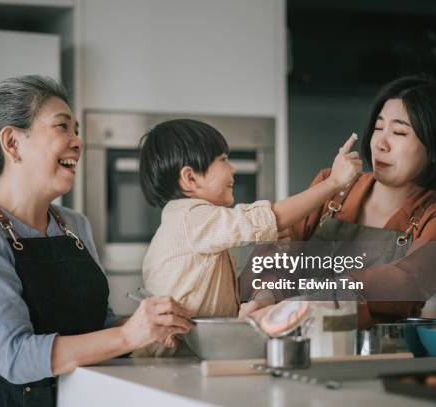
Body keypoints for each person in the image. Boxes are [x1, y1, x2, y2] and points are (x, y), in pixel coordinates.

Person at [0, 75, 192, 407]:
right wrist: (126, 335)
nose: (77, 141)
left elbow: (97, 326)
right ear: (13, 143)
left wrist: (150, 324)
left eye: (76, 130)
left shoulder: (74, 226)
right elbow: (14, 357)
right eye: (62, 127)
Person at [243, 76, 436, 329]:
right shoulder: (329, 184)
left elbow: (409, 282)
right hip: (297, 340)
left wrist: (309, 303)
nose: (380, 144)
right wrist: (266, 297)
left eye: (399, 132)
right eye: (378, 127)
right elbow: (277, 259)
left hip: (375, 355)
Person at [133, 118, 362, 356]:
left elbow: (220, 292)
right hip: (165, 363)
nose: (232, 169)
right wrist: (334, 182)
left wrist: (261, 253)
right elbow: (267, 218)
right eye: (223, 160)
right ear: (190, 178)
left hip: (183, 359)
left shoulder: (192, 225)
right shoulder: (190, 218)